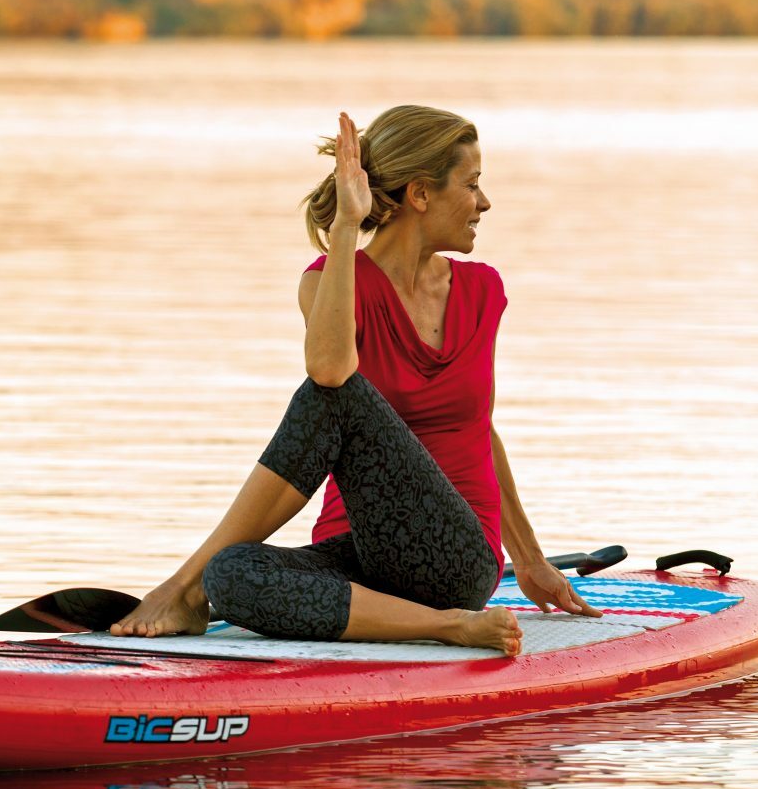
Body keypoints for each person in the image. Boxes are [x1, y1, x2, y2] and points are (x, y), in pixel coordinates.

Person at [110, 106, 601, 656]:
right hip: (358, 559)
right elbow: (328, 368)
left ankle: (185, 586)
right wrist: (344, 228)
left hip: (456, 560)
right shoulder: (326, 284)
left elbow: (477, 429)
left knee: (336, 396)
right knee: (233, 574)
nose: (483, 203)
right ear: (419, 194)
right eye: (472, 185)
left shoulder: (482, 290)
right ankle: (210, 584)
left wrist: (530, 560)